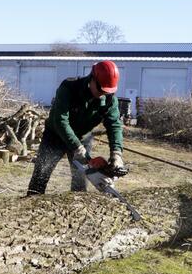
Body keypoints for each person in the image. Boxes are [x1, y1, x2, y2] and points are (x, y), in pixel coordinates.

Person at [27, 60, 127, 195]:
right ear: (92, 79)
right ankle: (32, 202)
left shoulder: (109, 99)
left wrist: (117, 153)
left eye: (106, 91)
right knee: (41, 173)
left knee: (80, 181)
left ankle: (76, 208)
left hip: (82, 137)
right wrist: (76, 146)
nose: (103, 94)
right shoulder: (69, 87)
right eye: (101, 89)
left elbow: (114, 125)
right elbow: (60, 120)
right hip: (55, 136)